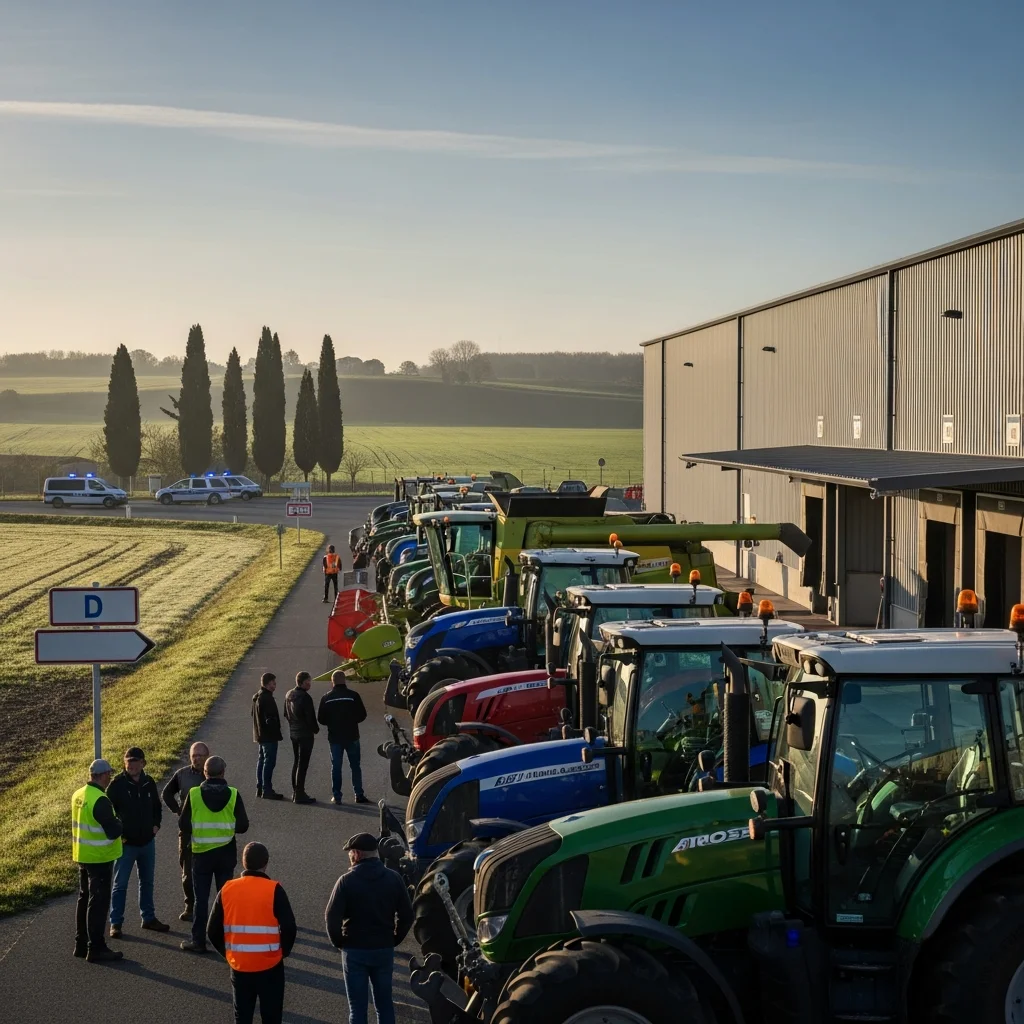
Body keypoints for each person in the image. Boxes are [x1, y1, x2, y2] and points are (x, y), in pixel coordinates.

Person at [325, 833, 413, 1024]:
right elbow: (407, 915)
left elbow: (332, 917)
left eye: (350, 853)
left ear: (356, 854)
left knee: (357, 1009)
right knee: (384, 1005)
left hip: (354, 950)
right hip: (383, 948)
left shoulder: (345, 882)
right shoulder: (394, 878)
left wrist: (340, 943)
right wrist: (395, 938)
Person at [208, 842, 296, 1024]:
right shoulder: (274, 889)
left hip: (240, 966)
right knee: (272, 1017)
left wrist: (229, 954)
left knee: (242, 1017)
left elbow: (212, 930)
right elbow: (289, 927)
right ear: (266, 863)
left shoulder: (227, 889)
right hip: (270, 966)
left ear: (243, 861)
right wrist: (283, 952)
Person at [179, 755, 250, 953]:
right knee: (226, 899)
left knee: (201, 900)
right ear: (223, 772)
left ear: (205, 772)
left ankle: (198, 940)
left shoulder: (194, 794)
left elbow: (183, 825)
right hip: (225, 854)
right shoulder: (233, 794)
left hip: (201, 854)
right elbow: (243, 826)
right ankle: (227, 940)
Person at [106, 746, 170, 938]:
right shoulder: (116, 785)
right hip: (126, 845)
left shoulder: (149, 782)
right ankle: (116, 923)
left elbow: (157, 807)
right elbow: (108, 813)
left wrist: (156, 825)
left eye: (135, 762)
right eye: (128, 762)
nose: (131, 765)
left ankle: (148, 918)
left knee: (147, 882)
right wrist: (119, 834)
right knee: (120, 885)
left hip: (147, 843)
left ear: (143, 763)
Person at [72, 758, 124, 962]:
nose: (110, 777)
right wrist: (120, 823)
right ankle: (96, 947)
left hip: (83, 855)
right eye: (109, 774)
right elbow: (113, 831)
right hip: (100, 858)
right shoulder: (100, 799)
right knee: (99, 902)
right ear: (102, 775)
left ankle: (81, 944)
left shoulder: (79, 794)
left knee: (84, 899)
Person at [162, 740, 210, 921]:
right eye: (193, 756)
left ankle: (208, 907)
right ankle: (190, 906)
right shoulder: (182, 774)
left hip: (209, 831)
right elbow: (166, 794)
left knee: (208, 871)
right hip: (188, 831)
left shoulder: (212, 773)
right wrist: (178, 811)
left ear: (207, 756)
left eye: (200, 755)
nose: (196, 759)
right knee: (187, 871)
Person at [317, 670, 370, 804]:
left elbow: (321, 719)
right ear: (344, 680)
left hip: (335, 737)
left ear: (332, 681)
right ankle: (358, 794)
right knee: (355, 766)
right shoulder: (353, 696)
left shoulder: (326, 698)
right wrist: (352, 721)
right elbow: (362, 715)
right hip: (352, 735)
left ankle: (337, 796)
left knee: (336, 767)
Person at [283, 671, 319, 804]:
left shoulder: (289, 694)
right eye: (308, 682)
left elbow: (286, 714)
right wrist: (315, 730)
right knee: (303, 764)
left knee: (296, 761)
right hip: (305, 734)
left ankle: (296, 790)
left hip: (294, 732)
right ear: (303, 682)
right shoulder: (305, 697)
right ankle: (299, 793)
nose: (310, 684)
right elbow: (310, 718)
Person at [252, 672, 284, 800]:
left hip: (260, 735)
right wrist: (276, 729)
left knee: (261, 761)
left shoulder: (256, 697)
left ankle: (260, 787)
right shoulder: (267, 698)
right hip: (269, 736)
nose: (275, 686)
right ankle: (267, 789)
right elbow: (270, 719)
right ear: (267, 684)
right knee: (269, 762)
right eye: (273, 683)